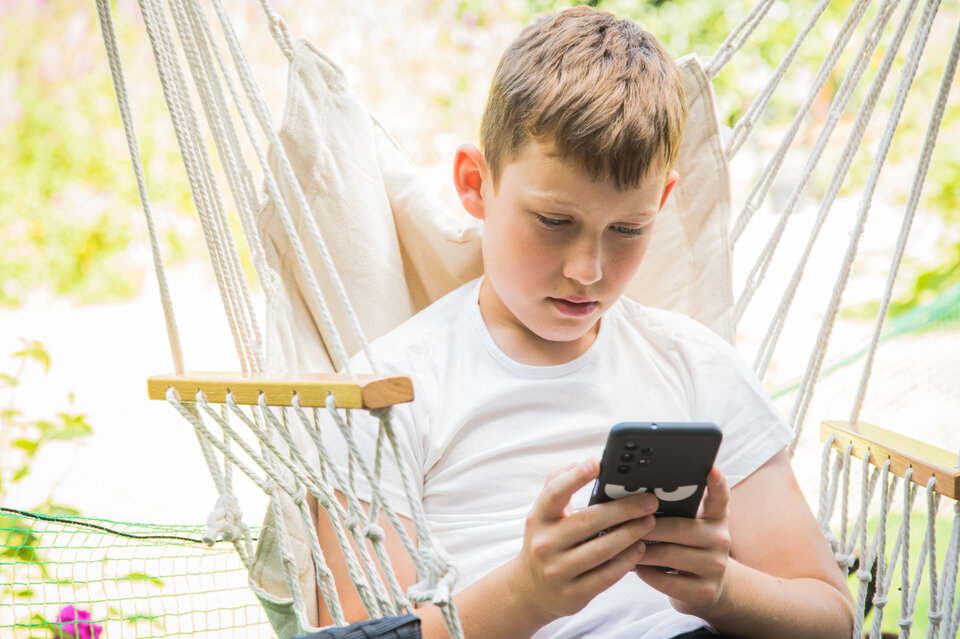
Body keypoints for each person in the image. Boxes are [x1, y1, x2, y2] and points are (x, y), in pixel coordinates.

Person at [315, 7, 854, 638]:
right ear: (474, 183)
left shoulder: (693, 365)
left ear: (663, 203)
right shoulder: (390, 388)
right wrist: (528, 595)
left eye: (628, 230)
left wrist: (724, 589)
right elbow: (358, 630)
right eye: (553, 221)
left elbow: (831, 618)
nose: (588, 270)